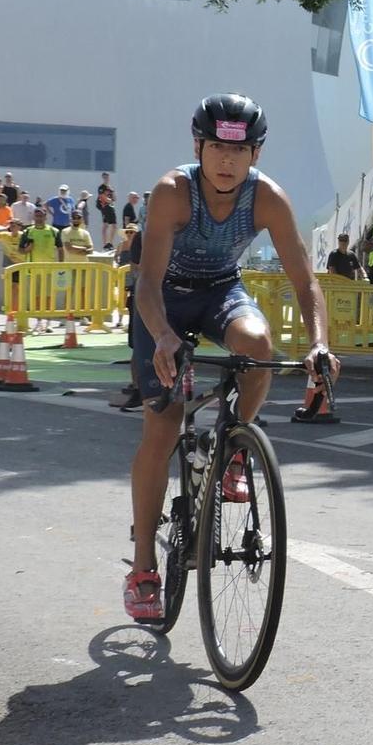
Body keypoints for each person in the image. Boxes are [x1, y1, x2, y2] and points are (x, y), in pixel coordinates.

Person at [124, 93, 337, 621]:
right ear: (198, 147)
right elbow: (147, 283)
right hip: (165, 298)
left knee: (259, 346)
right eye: (216, 148)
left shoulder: (268, 199)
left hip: (221, 289)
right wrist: (165, 337)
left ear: (255, 156)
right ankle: (144, 567)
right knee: (165, 424)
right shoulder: (173, 192)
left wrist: (318, 343)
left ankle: (235, 446)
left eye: (238, 152)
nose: (226, 161)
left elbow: (305, 280)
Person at [96, 172, 117, 248]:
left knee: (112, 225)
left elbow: (114, 198)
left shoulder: (110, 187)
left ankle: (110, 242)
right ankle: (106, 243)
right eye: (105, 177)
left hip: (110, 207)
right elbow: (102, 197)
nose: (106, 178)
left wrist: (112, 192)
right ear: (102, 178)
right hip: (105, 207)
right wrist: (110, 200)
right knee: (107, 225)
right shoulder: (101, 187)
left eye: (107, 177)